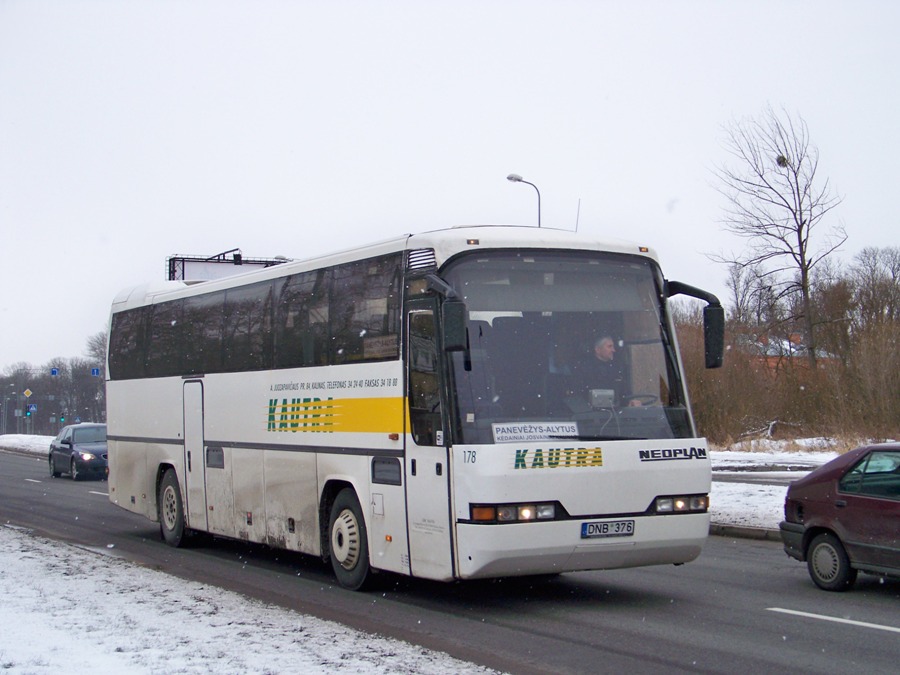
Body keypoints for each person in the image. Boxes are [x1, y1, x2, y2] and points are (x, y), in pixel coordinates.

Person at [572, 335, 640, 407]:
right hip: (592, 414)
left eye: (613, 347)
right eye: (609, 347)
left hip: (616, 413)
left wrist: (630, 401)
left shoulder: (617, 368)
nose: (613, 350)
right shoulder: (584, 369)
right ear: (597, 350)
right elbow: (578, 394)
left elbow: (624, 392)